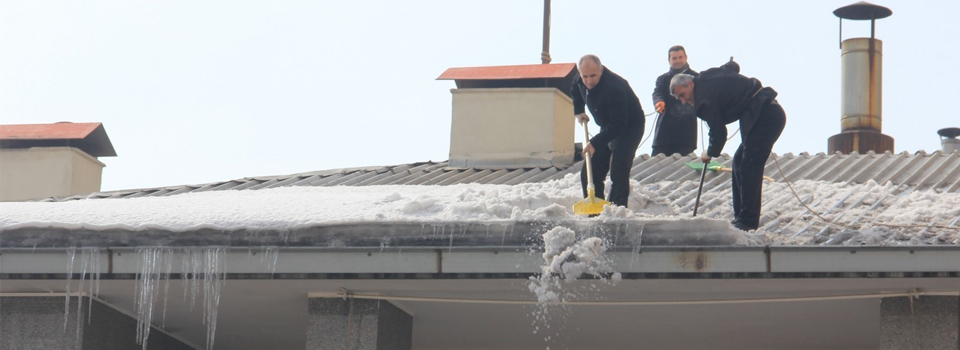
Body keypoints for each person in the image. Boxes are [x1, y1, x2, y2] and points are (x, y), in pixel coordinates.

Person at [669, 60, 786, 231]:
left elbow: (718, 133)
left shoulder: (703, 101)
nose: (684, 101)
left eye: (682, 95)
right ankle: (740, 217)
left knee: (749, 165)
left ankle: (746, 222)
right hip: (763, 113)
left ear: (690, 84)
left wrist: (710, 152)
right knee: (738, 162)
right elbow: (729, 68)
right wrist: (732, 65)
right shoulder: (706, 75)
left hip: (765, 116)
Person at [571, 54, 645, 208]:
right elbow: (575, 90)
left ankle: (617, 210)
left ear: (601, 71)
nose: (589, 81)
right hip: (607, 126)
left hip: (629, 127)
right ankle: (595, 211)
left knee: (619, 169)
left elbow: (618, 125)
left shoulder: (614, 87)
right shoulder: (579, 79)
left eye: (593, 76)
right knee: (590, 170)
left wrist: (595, 142)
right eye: (585, 77)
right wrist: (579, 111)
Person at [651, 45, 699, 156]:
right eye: (674, 58)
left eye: (680, 57)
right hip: (664, 134)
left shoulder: (696, 78)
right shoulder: (663, 79)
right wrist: (659, 102)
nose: (678, 61)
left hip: (686, 135)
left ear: (686, 57)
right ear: (669, 60)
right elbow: (657, 92)